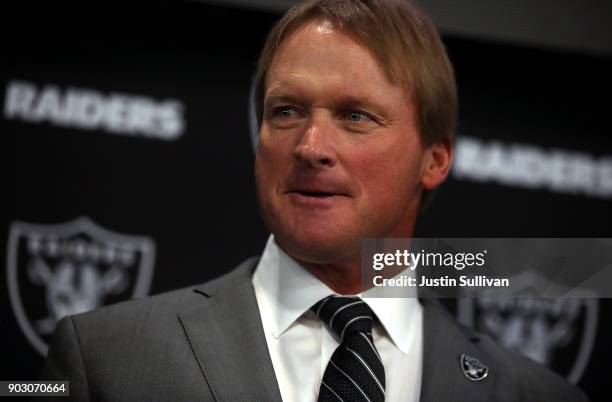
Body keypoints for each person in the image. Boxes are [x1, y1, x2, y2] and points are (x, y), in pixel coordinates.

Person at [41, 0, 588, 401]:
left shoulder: (538, 397)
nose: (310, 146)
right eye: (286, 111)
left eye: (355, 116)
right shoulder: (104, 358)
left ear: (435, 158)